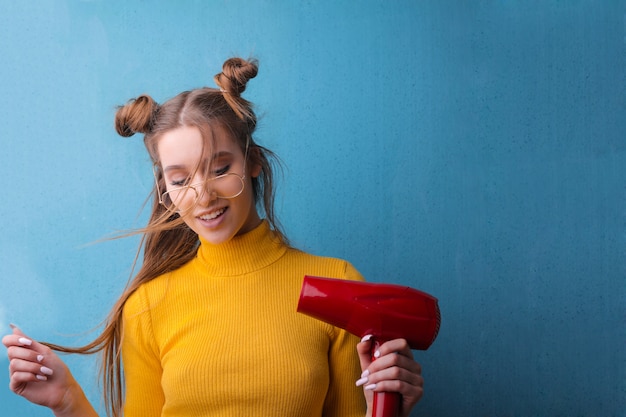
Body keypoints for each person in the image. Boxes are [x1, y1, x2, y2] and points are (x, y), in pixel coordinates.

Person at [2, 57, 424, 417]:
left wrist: (383, 407)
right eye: (181, 179)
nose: (202, 195)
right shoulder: (148, 307)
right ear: (165, 188)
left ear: (253, 160)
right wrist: (68, 402)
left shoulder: (339, 284)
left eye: (220, 168)